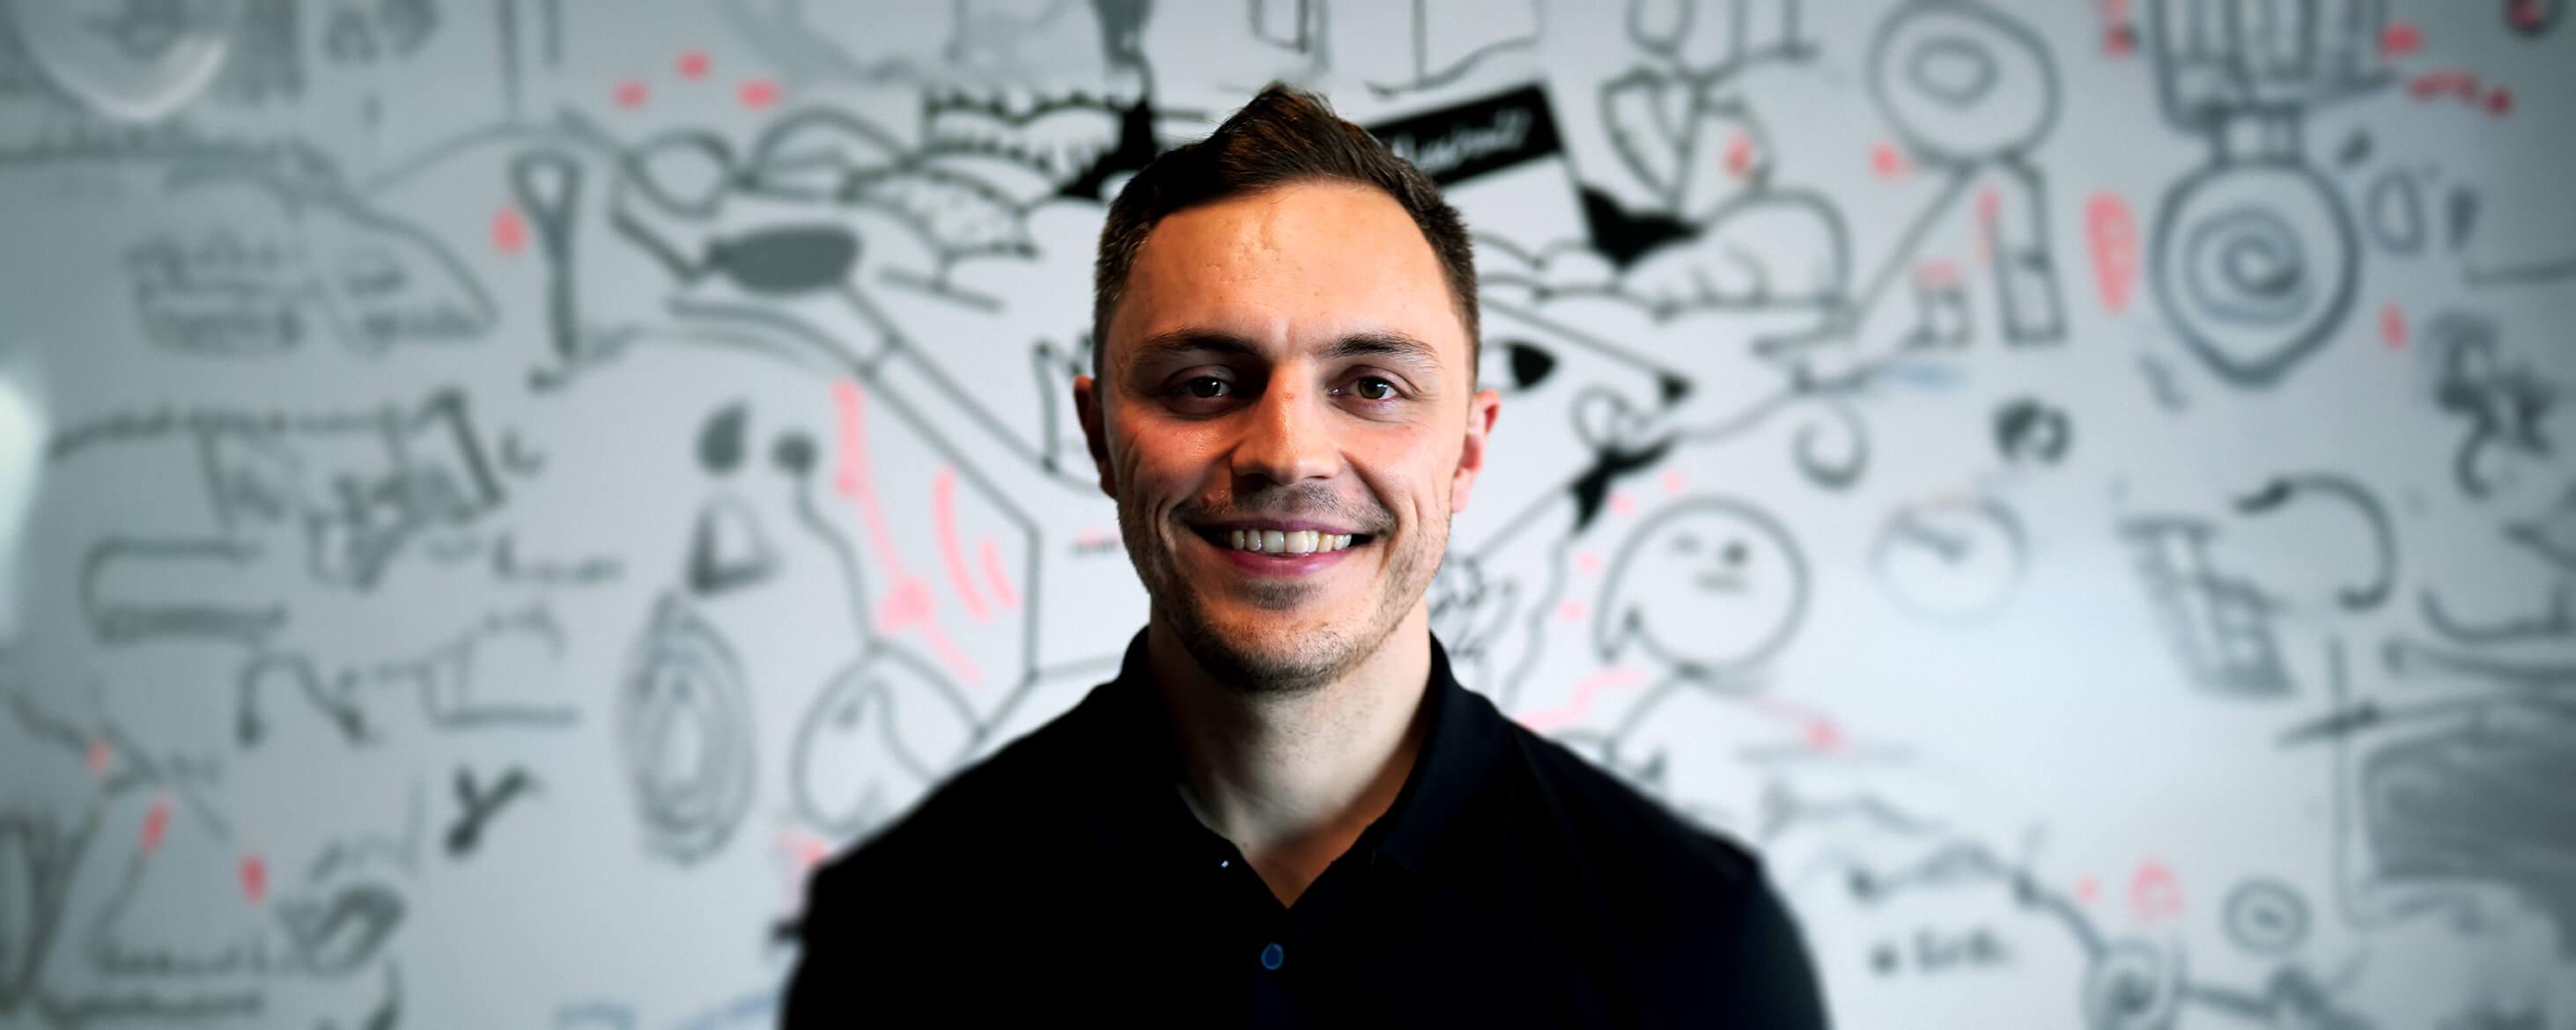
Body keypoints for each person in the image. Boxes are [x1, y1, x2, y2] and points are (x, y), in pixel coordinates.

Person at [782, 84, 1827, 1028]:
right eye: (1203, 383)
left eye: (1371, 384)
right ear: (1100, 439)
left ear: (1467, 448)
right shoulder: (897, 927)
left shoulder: (1697, 942)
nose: (1287, 454)